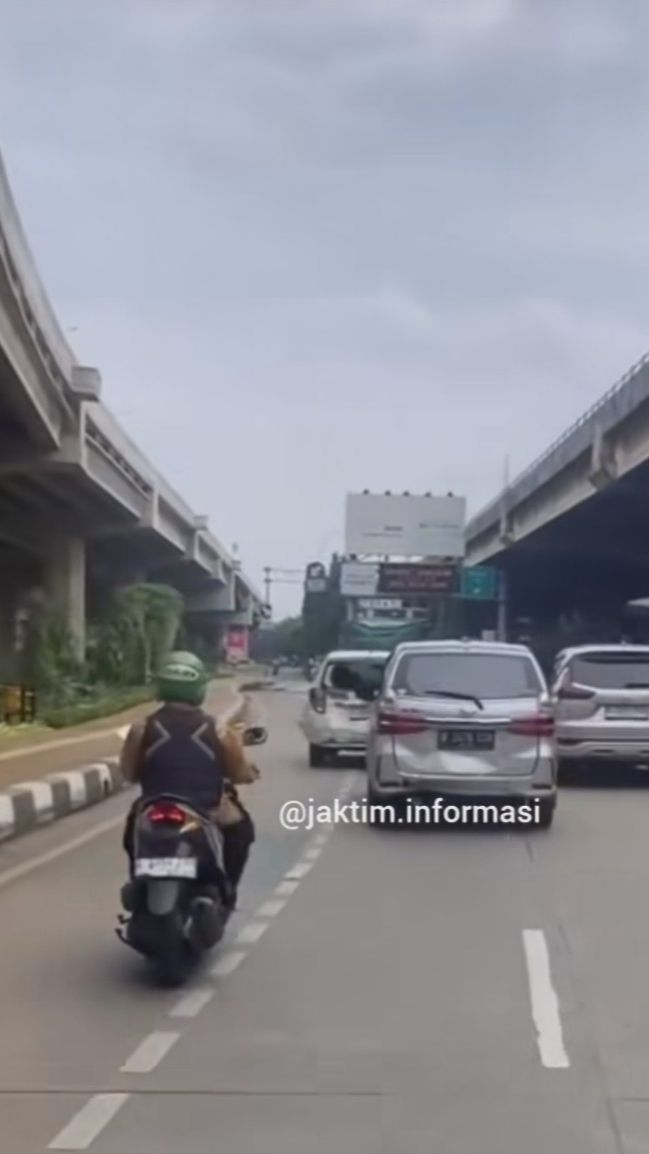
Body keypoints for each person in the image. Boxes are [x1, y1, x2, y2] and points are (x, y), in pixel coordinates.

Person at [119, 650, 259, 908]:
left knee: (132, 831)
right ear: (198, 687)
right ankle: (228, 889)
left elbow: (128, 773)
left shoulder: (142, 728)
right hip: (205, 809)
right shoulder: (217, 729)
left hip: (153, 806)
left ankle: (138, 880)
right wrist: (249, 773)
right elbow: (239, 773)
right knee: (241, 830)